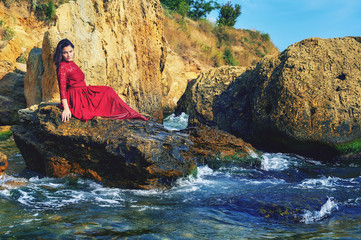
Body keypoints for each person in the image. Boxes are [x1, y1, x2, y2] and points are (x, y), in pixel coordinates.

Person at [53, 39, 148, 122]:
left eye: (71, 51)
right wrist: (66, 108)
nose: (69, 55)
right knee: (107, 93)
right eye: (65, 53)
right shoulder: (62, 67)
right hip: (76, 98)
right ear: (61, 54)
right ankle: (128, 113)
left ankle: (129, 112)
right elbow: (62, 89)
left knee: (108, 90)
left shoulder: (71, 62)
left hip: (83, 92)